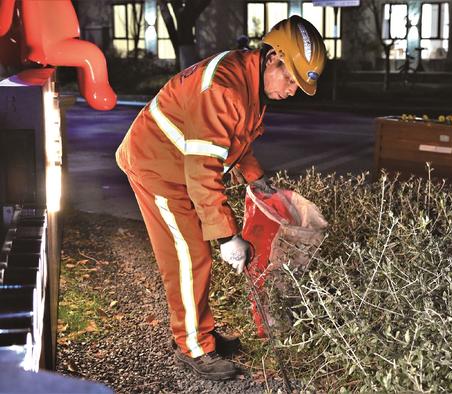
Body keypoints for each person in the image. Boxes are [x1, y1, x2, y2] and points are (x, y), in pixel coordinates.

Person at [115, 16, 326, 381]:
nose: (291, 89)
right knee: (189, 256)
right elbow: (201, 172)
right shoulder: (225, 89)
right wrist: (228, 238)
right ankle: (193, 347)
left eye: (297, 84)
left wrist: (258, 182)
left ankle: (202, 331)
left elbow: (235, 142)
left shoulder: (248, 81)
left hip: (179, 167)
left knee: (194, 254)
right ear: (271, 55)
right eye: (289, 77)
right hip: (158, 168)